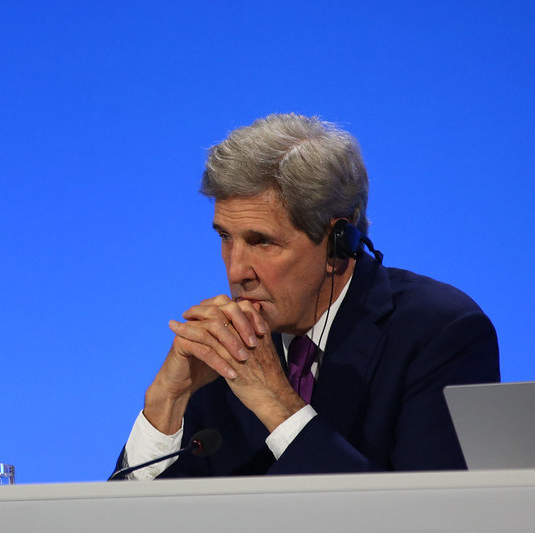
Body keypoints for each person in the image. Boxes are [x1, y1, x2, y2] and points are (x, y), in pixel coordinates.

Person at [114, 113, 500, 479]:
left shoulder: (440, 333)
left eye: (261, 241)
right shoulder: (224, 345)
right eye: (225, 237)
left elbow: (432, 519)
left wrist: (276, 403)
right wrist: (166, 401)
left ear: (336, 245)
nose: (235, 271)